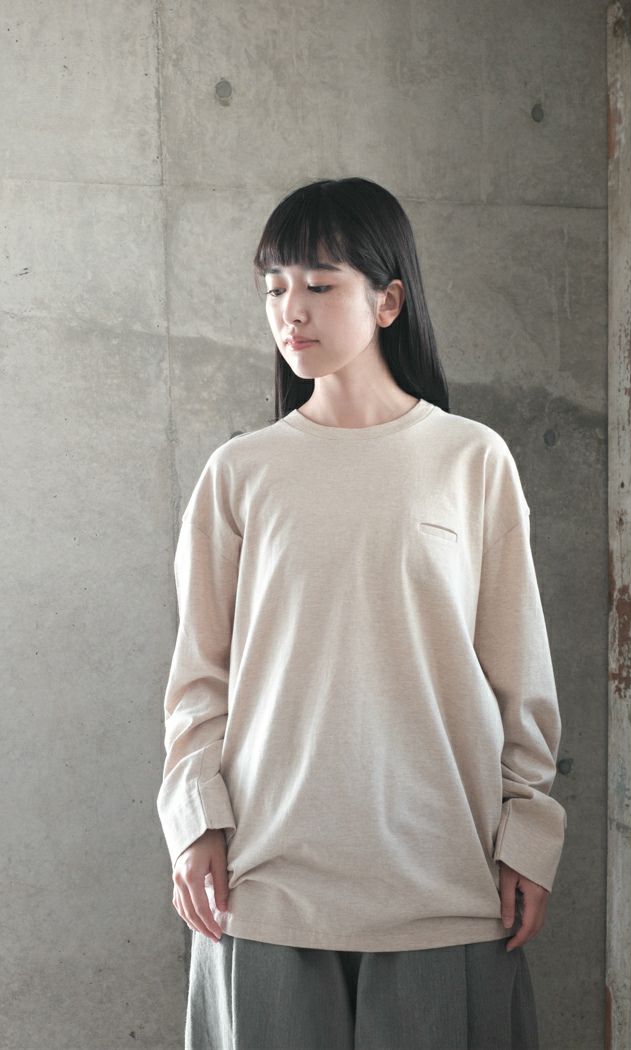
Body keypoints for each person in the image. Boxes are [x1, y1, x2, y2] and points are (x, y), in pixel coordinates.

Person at [156, 176, 567, 1050]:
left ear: (388, 301)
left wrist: (529, 831)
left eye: (318, 284)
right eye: (274, 288)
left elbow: (519, 672)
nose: (289, 311)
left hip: (444, 882)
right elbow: (199, 679)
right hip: (267, 884)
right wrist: (194, 823)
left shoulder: (471, 460)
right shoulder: (241, 474)